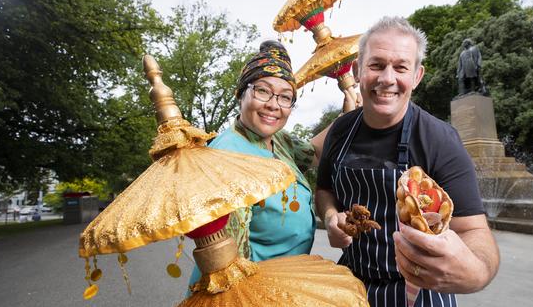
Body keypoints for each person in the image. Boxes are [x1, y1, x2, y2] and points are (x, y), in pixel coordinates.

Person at [315, 17, 499, 306]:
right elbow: (324, 189)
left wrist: (477, 273)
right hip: (350, 285)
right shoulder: (340, 131)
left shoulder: (440, 139)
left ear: (417, 76)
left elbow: (473, 230)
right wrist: (329, 218)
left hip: (421, 291)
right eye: (376, 65)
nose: (387, 78)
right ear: (357, 70)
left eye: (401, 67)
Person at [187, 40, 357, 292]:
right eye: (263, 91)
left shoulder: (275, 139)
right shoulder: (228, 156)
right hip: (250, 291)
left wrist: (351, 113)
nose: (274, 104)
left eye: (285, 97)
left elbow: (315, 153)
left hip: (284, 282)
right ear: (242, 93)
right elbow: (230, 265)